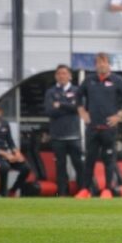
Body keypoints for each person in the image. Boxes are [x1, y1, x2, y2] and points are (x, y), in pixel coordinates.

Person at [75, 52, 122, 199]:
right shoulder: (89, 80)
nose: (101, 65)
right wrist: (81, 111)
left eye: (104, 62)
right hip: (92, 128)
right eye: (99, 62)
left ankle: (108, 189)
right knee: (89, 160)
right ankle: (85, 190)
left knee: (109, 160)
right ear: (95, 65)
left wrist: (120, 115)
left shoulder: (117, 80)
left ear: (109, 64)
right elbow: (77, 95)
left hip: (109, 128)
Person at [44, 64, 83, 196]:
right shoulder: (50, 92)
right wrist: (68, 106)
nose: (62, 76)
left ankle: (83, 191)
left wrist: (60, 104)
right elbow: (49, 111)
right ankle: (62, 193)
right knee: (60, 167)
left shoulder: (77, 91)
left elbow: (77, 108)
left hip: (74, 135)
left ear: (70, 76)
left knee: (79, 165)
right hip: (57, 136)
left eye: (64, 73)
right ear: (56, 76)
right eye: (59, 73)